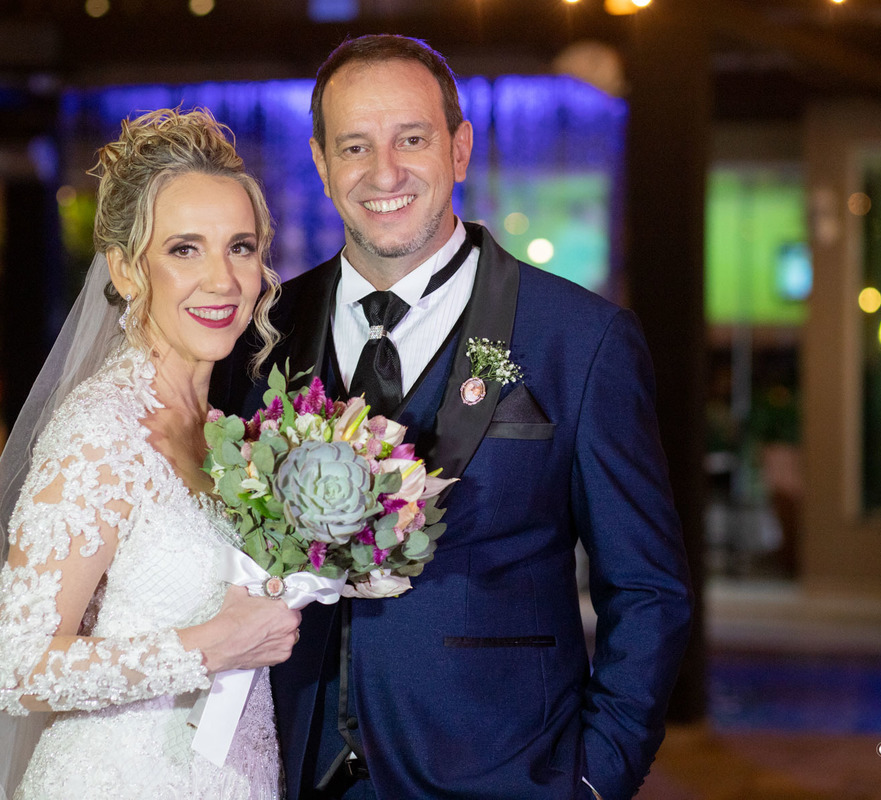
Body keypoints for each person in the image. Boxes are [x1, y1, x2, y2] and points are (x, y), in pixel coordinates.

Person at [210, 35, 693, 800]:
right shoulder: (260, 331)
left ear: (459, 149)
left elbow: (647, 588)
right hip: (291, 766)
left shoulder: (579, 338)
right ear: (321, 162)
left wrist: (597, 776)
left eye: (412, 139)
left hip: (504, 770)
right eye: (355, 146)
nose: (385, 173)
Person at [0, 108, 301, 800]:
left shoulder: (235, 437)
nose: (223, 280)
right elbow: (16, 667)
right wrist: (213, 645)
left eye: (240, 247)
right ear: (125, 269)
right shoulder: (101, 431)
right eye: (185, 249)